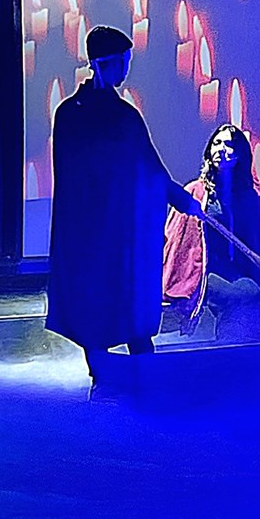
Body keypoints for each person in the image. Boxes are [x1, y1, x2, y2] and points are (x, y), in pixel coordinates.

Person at [47, 25, 203, 385]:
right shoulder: (75, 115)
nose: (125, 69)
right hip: (94, 236)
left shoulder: (120, 116)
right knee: (96, 309)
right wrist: (176, 198)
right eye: (123, 62)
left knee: (131, 310)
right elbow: (78, 176)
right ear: (106, 63)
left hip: (120, 235)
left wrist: (182, 200)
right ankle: (104, 379)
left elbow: (149, 168)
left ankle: (142, 379)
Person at [162, 123, 260, 338]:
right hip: (202, 272)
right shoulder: (194, 193)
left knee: (251, 291)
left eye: (228, 144)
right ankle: (224, 344)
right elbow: (175, 241)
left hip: (236, 270)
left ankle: (230, 345)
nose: (221, 149)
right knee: (238, 296)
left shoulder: (251, 197)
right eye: (216, 143)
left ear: (240, 155)